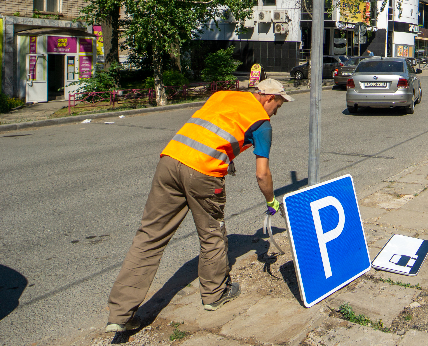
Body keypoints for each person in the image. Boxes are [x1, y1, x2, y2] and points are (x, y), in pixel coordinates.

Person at [104, 79, 294, 333]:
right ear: (269, 97)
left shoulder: (224, 95)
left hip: (170, 160)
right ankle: (215, 294)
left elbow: (213, 127)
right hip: (203, 172)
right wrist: (271, 201)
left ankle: (120, 314)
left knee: (149, 236)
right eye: (278, 105)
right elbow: (262, 174)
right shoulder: (262, 123)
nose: (276, 112)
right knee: (212, 234)